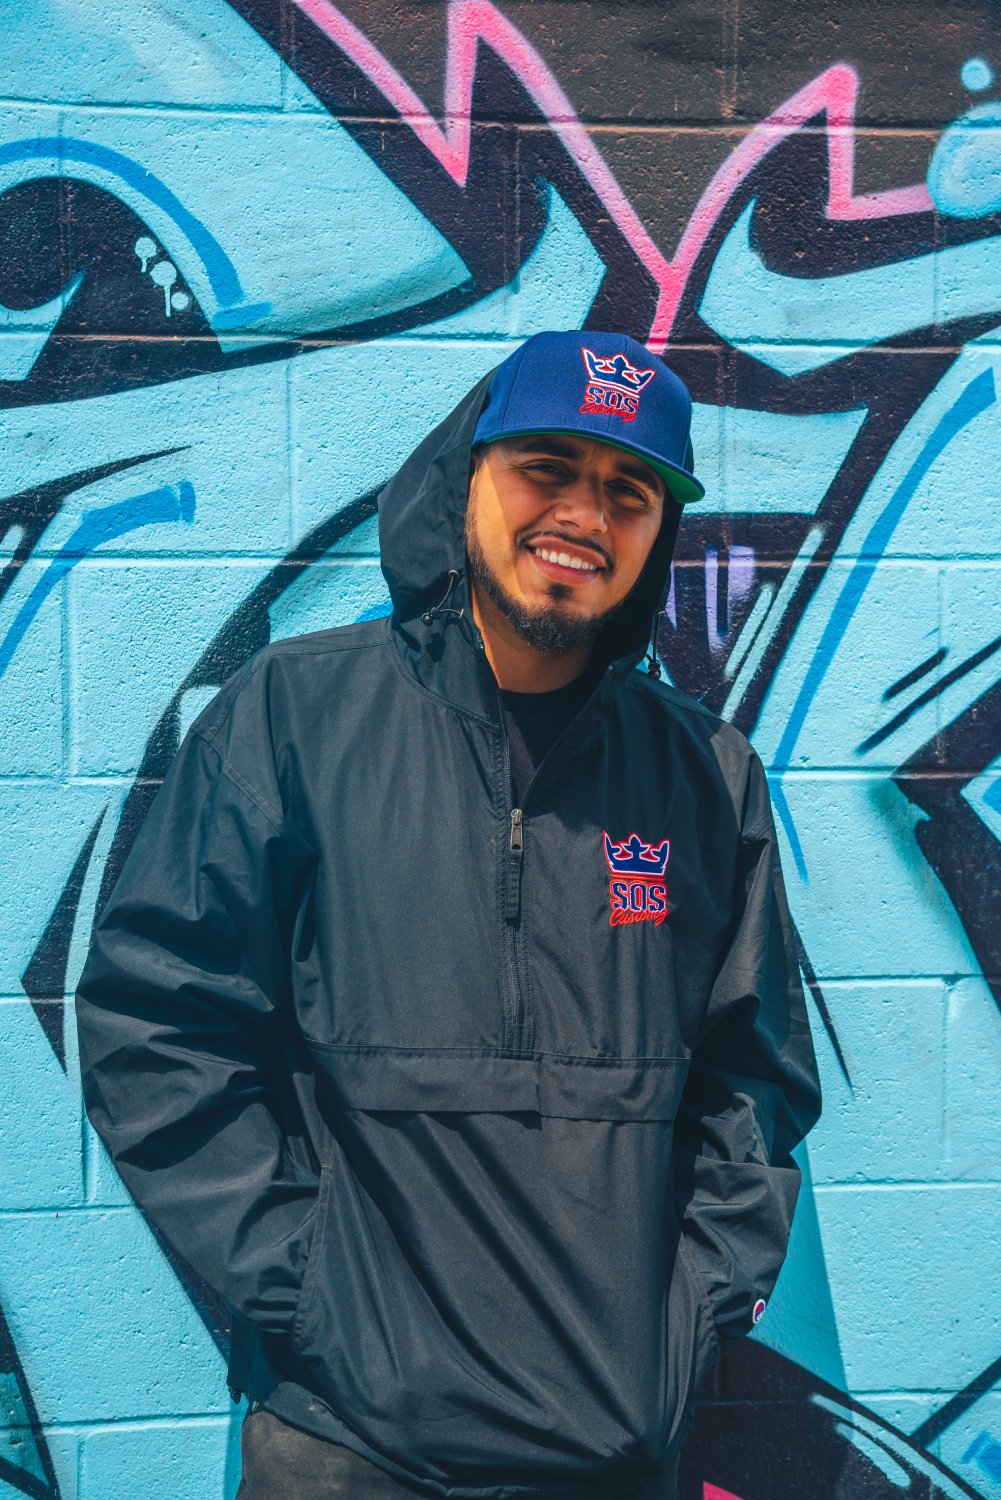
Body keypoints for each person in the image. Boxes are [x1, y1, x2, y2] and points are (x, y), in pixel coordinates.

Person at [74, 330, 823, 1499]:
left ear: (654, 534)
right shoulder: (293, 720)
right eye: (546, 467)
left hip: (608, 1453)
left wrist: (679, 1327)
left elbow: (752, 1084)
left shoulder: (702, 776)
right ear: (462, 477)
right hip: (343, 1446)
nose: (582, 514)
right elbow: (153, 1023)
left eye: (627, 492)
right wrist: (307, 1293)